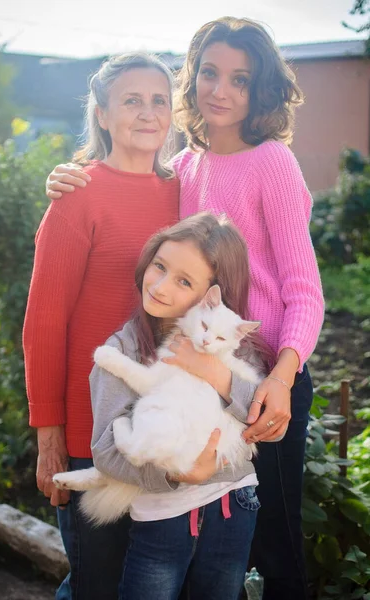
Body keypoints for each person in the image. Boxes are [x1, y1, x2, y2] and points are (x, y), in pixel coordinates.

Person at [46, 17, 325, 600]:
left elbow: (304, 287)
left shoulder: (272, 161)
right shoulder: (185, 169)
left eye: (241, 80)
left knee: (274, 542)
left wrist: (282, 374)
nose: (221, 91)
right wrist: (71, 175)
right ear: (192, 78)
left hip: (265, 380)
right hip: (195, 379)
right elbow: (125, 183)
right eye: (209, 73)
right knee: (206, 538)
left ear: (261, 89)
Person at [24, 52, 189, 600]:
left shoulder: (185, 192)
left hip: (167, 427)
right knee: (98, 584)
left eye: (158, 101)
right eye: (131, 101)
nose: (147, 113)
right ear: (101, 113)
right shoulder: (78, 196)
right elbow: (44, 322)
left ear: (172, 114)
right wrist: (50, 434)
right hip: (91, 428)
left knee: (157, 585)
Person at [89, 212, 269, 600]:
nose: (161, 286)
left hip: (232, 500)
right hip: (161, 512)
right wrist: (174, 476)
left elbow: (266, 420)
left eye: (184, 281)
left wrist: (211, 370)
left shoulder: (237, 348)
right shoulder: (122, 349)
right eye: (160, 266)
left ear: (211, 296)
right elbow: (105, 451)